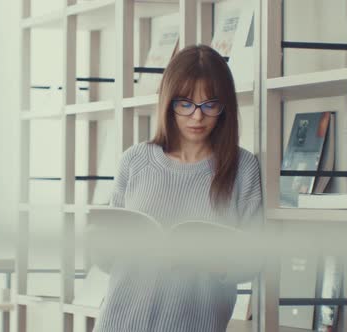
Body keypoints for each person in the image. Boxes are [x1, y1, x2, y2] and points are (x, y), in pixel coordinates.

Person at [92, 44, 264, 332]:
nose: (197, 117)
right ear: (168, 102)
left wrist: (214, 262)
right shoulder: (135, 160)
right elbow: (110, 262)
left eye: (210, 104)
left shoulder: (242, 168)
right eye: (185, 104)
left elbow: (256, 259)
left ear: (225, 108)